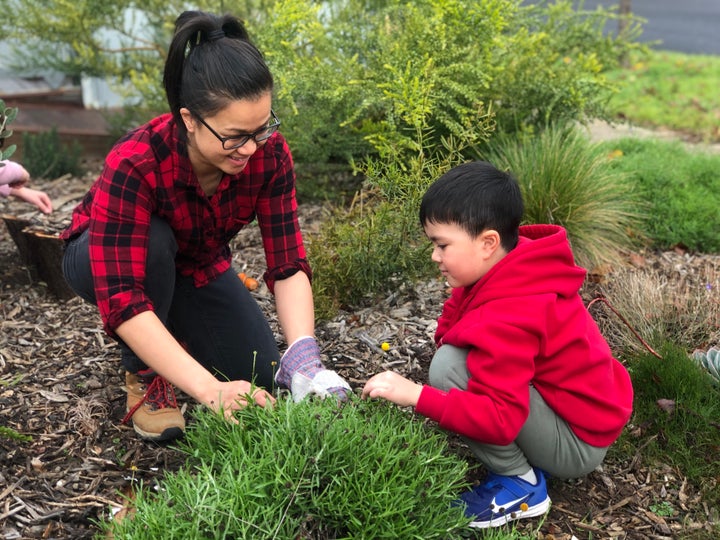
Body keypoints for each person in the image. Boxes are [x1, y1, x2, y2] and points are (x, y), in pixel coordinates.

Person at [61, 10, 350, 443]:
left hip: (194, 264)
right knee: (154, 245)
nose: (251, 148)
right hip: (103, 259)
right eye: (235, 135)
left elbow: (288, 264)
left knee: (261, 378)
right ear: (190, 119)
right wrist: (209, 390)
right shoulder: (136, 162)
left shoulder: (268, 155)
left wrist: (304, 357)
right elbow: (122, 298)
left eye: (262, 128)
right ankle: (145, 374)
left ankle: (171, 332)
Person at [362, 161, 633, 528]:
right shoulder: (512, 263)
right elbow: (458, 315)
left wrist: (417, 396)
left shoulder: (514, 310)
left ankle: (521, 483)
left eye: (442, 245)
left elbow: (500, 419)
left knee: (448, 369)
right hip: (580, 414)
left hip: (577, 443)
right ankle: (525, 462)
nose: (435, 257)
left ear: (488, 241)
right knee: (455, 360)